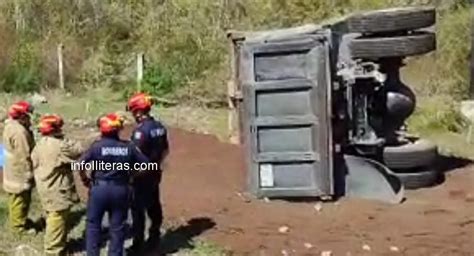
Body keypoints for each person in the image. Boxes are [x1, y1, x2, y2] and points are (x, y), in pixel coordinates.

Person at [78, 113, 150, 256]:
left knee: (93, 226)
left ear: (101, 129)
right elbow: (147, 165)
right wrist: (131, 176)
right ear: (119, 129)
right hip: (121, 189)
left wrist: (84, 179)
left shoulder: (96, 147)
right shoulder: (128, 147)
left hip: (99, 189)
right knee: (117, 227)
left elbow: (80, 165)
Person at [31, 114, 84, 255]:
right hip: (57, 189)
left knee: (51, 217)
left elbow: (34, 161)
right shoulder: (60, 146)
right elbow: (78, 150)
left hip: (44, 185)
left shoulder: (40, 143)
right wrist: (65, 139)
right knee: (57, 219)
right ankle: (53, 251)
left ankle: (57, 245)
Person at [126, 92, 169, 253]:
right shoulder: (160, 127)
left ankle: (138, 246)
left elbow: (134, 154)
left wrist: (132, 174)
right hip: (155, 172)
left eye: (132, 111)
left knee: (138, 211)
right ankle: (155, 237)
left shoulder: (141, 132)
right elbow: (165, 150)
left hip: (140, 176)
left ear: (138, 112)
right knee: (154, 204)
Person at [2, 101, 36, 234]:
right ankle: (18, 228)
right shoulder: (19, 132)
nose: (30, 118)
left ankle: (19, 219)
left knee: (15, 199)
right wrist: (30, 173)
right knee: (20, 198)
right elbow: (25, 154)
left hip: (10, 167)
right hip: (18, 170)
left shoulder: (10, 125)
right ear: (21, 116)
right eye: (27, 115)